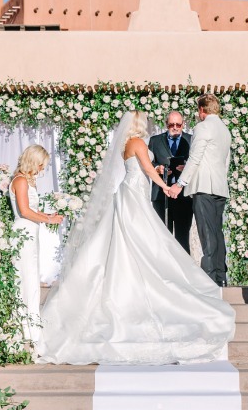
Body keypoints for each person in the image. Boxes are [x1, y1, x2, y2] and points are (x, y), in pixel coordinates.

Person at [38, 111, 236, 365]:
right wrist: (165, 185)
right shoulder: (139, 143)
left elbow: (144, 167)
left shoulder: (127, 145)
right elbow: (146, 169)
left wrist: (157, 172)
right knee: (147, 242)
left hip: (131, 194)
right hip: (134, 196)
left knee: (133, 242)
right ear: (139, 125)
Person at [10, 144, 63, 347]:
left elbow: (31, 211)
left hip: (30, 231)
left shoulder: (26, 180)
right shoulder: (21, 180)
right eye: (41, 165)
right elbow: (24, 211)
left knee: (30, 278)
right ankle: (27, 330)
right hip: (23, 231)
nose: (42, 169)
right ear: (34, 162)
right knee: (27, 279)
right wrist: (48, 219)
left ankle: (30, 327)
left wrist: (48, 217)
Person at [177, 94, 231, 286]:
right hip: (219, 187)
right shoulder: (225, 130)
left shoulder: (203, 127)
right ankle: (220, 276)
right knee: (217, 231)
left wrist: (180, 183)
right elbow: (224, 162)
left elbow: (196, 157)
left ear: (202, 110)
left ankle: (209, 278)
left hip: (204, 187)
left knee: (206, 233)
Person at [148, 111, 193, 252]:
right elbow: (149, 163)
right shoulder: (155, 140)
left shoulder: (191, 140)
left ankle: (185, 272)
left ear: (183, 124)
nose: (175, 127)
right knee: (161, 237)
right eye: (171, 124)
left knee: (182, 238)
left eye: (178, 124)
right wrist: (157, 168)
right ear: (166, 124)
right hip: (161, 195)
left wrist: (186, 168)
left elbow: (197, 163)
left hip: (183, 196)